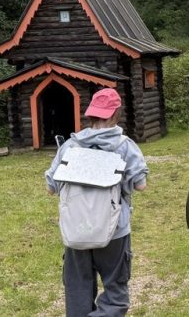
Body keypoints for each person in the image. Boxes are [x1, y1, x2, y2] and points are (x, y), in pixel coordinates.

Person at [45, 88, 149, 317]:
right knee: (115, 294)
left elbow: (50, 188)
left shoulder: (70, 146)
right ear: (116, 114)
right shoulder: (125, 146)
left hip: (76, 230)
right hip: (114, 230)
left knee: (77, 292)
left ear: (91, 113)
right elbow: (141, 185)